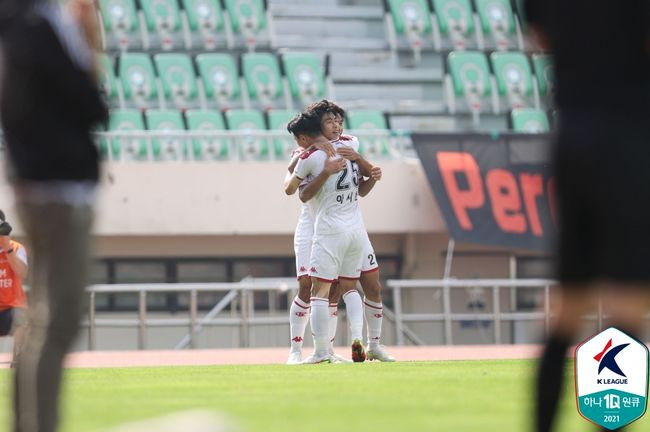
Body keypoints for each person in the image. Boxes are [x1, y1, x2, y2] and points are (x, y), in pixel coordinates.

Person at [524, 1, 650, 431]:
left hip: (571, 138)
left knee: (564, 308)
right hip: (629, 140)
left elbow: (540, 40)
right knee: (628, 306)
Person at [0, 0, 108, 431]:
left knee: (43, 319)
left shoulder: (21, 24)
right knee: (59, 320)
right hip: (58, 187)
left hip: (41, 181)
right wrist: (88, 46)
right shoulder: (39, 26)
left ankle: (28, 422)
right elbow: (92, 106)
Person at [284, 101, 394, 364]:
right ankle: (298, 350)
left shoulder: (349, 145)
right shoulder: (304, 153)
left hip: (344, 225)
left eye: (338, 121)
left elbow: (362, 186)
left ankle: (343, 347)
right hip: (315, 224)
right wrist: (310, 161)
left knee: (349, 287)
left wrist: (366, 166)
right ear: (315, 128)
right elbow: (291, 187)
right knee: (309, 286)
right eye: (329, 121)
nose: (336, 126)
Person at [0, 210, 28, 366]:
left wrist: (7, 249)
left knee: (22, 317)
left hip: (11, 309)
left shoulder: (16, 248)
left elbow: (22, 273)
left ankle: (18, 359)